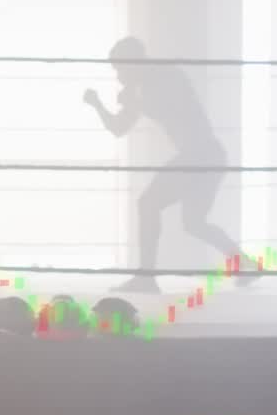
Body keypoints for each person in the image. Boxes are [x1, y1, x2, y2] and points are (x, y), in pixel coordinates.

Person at [83, 37, 252, 293]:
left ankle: (146, 277)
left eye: (120, 69)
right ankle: (246, 264)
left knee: (149, 204)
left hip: (201, 154)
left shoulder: (166, 74)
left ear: (134, 62)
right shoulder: (139, 89)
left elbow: (171, 106)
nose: (118, 76)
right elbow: (119, 128)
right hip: (205, 156)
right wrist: (98, 105)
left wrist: (135, 100)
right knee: (194, 223)